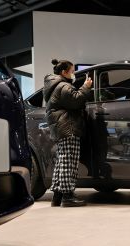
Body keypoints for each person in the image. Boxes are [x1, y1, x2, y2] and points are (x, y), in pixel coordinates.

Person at [43, 59, 92, 207]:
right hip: (68, 127)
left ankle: (57, 196)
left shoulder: (55, 86)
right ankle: (68, 196)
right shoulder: (63, 86)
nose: (73, 74)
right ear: (64, 72)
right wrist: (86, 87)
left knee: (62, 161)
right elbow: (76, 100)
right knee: (68, 162)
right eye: (71, 71)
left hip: (61, 127)